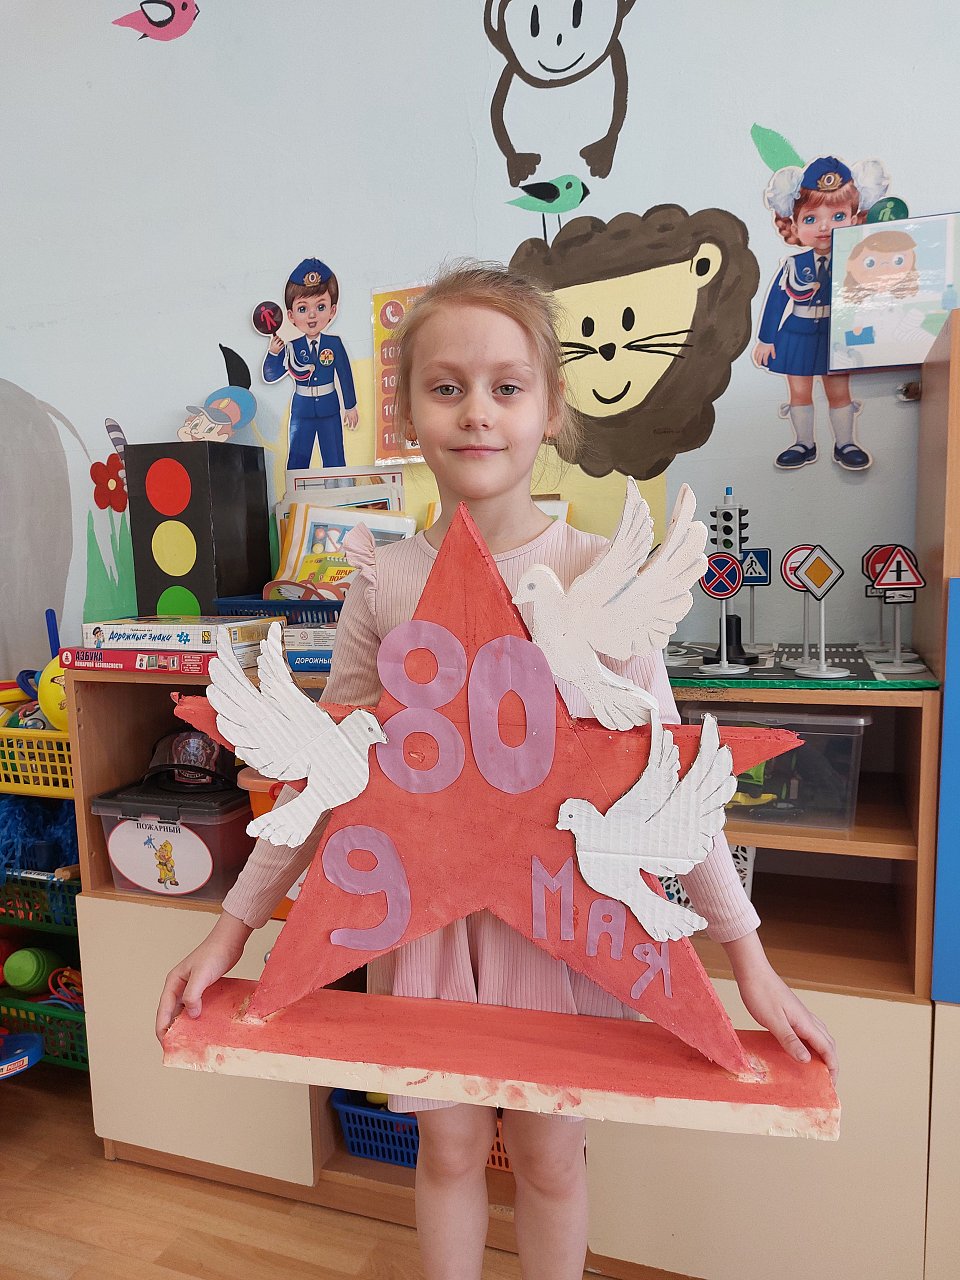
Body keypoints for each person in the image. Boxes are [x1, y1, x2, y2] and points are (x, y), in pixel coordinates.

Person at [158, 261, 838, 1280]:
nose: (477, 411)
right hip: (424, 920)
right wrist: (233, 927)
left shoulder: (598, 570)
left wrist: (748, 958)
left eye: (507, 386)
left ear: (550, 409)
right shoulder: (383, 580)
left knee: (554, 1157)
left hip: (571, 923)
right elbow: (325, 777)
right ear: (408, 413)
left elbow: (668, 777)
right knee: (447, 1150)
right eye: (447, 386)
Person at [753, 155, 890, 472]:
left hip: (837, 334)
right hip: (797, 333)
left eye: (838, 215)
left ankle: (846, 444)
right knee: (799, 391)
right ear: (794, 225)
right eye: (812, 218)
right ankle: (803, 443)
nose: (825, 226)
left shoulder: (858, 262)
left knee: (838, 391)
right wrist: (766, 340)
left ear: (854, 218)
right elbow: (776, 303)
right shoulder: (793, 265)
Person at [262, 257, 359, 470]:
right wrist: (273, 353)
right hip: (302, 410)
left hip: (329, 408)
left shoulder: (334, 344)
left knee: (334, 459)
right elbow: (271, 375)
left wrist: (350, 406)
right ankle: (295, 492)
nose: (312, 315)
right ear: (291, 315)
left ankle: (338, 490)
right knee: (297, 460)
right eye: (303, 309)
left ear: (332, 310)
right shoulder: (291, 347)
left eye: (321, 306)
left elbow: (344, 375)